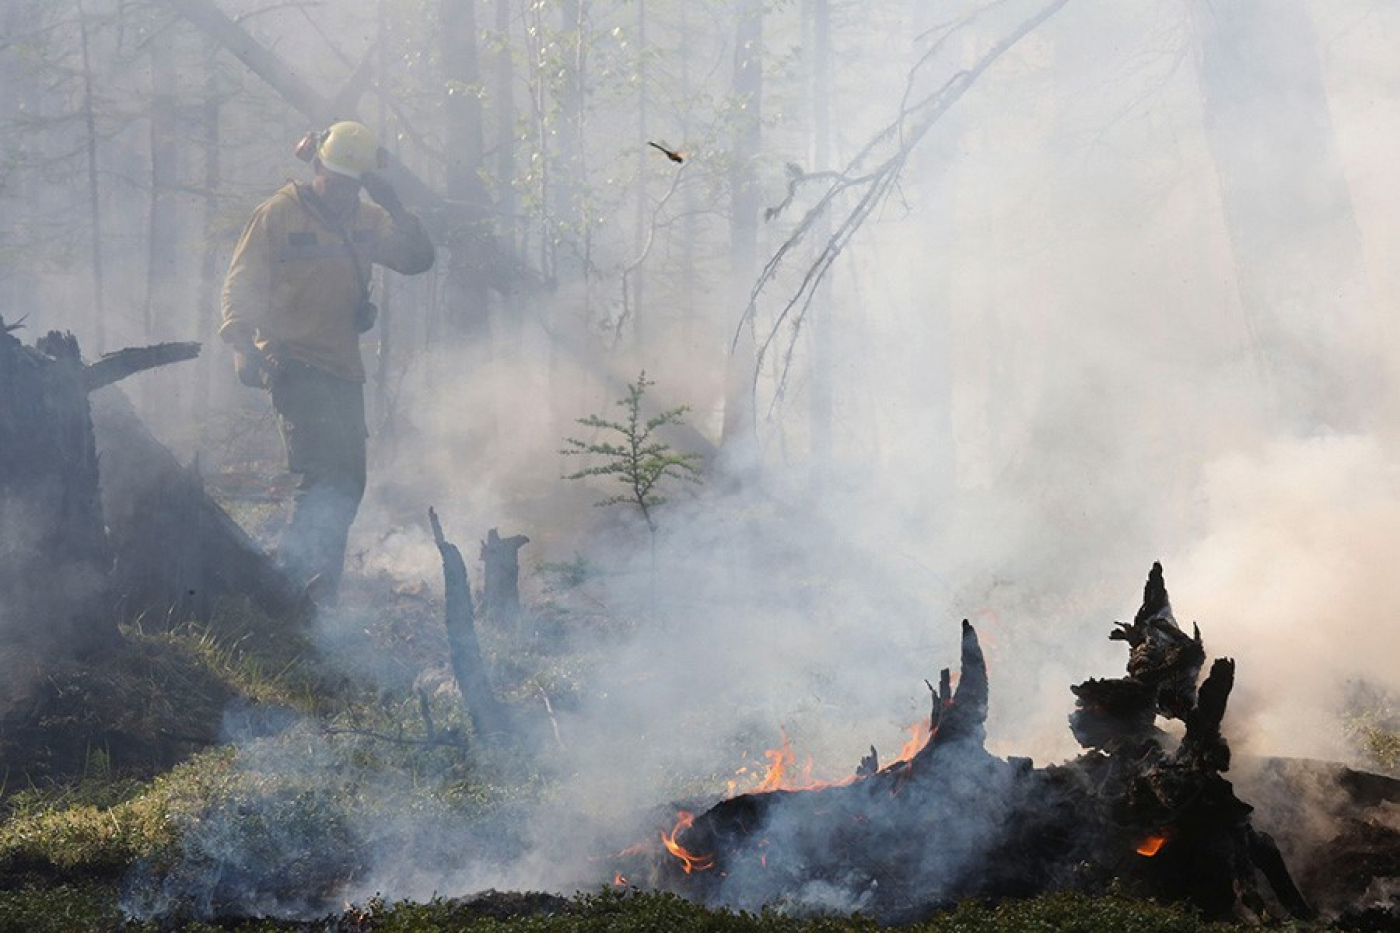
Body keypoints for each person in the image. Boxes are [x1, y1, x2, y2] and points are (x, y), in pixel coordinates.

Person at [220, 120, 435, 604]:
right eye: (336, 179)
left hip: (342, 370)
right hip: (290, 361)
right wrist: (239, 342)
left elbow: (417, 259)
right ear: (316, 165)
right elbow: (241, 282)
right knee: (324, 479)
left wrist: (395, 205)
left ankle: (318, 593)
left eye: (353, 183)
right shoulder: (279, 213)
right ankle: (296, 593)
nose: (343, 191)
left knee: (350, 483)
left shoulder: (368, 220)